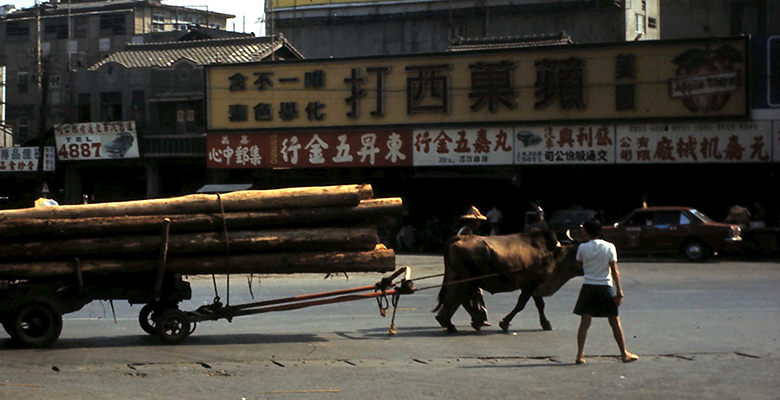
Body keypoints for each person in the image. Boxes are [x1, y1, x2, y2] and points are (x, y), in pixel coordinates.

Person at [573, 219, 638, 365]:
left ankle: (579, 355)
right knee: (614, 321)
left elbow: (578, 266)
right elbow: (614, 270)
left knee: (584, 322)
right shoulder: (610, 246)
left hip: (588, 287)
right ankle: (624, 354)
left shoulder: (582, 247)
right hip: (605, 286)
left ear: (588, 231)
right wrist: (619, 291)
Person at [455, 206, 490, 327]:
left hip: (464, 266)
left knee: (474, 293)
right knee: (474, 292)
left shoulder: (467, 231)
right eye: (477, 221)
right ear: (472, 222)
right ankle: (478, 316)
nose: (478, 224)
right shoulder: (466, 233)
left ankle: (481, 316)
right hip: (465, 267)